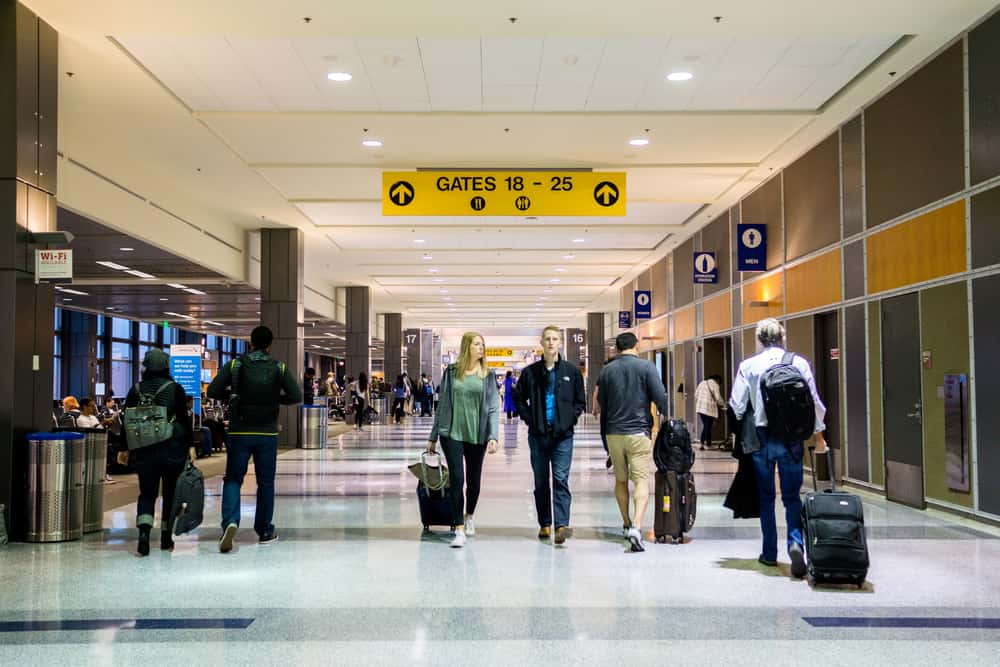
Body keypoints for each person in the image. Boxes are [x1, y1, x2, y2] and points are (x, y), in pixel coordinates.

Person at [729, 317, 828, 578]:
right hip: (791, 438)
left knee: (766, 497)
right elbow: (814, 402)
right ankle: (795, 544)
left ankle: (769, 553)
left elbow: (737, 406)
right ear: (782, 338)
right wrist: (819, 438)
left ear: (759, 340)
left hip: (761, 438)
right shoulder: (799, 362)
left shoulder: (748, 366)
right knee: (792, 497)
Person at [207, 325, 302, 553]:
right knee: (265, 483)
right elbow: (296, 395)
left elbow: (212, 391)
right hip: (267, 432)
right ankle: (265, 530)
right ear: (269, 345)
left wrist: (233, 396)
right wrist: (274, 400)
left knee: (233, 478)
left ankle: (230, 522)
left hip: (240, 431)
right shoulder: (278, 368)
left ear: (250, 342)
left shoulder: (236, 365)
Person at [596, 332, 668, 553]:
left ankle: (626, 523)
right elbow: (661, 397)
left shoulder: (607, 370)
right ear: (637, 346)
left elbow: (603, 406)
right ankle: (637, 525)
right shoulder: (646, 368)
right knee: (641, 481)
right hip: (638, 432)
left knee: (620, 480)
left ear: (617, 348)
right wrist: (665, 417)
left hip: (614, 433)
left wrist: (605, 440)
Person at [426, 331, 500, 548]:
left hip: (477, 434)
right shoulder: (451, 372)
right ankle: (458, 528)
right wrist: (433, 436)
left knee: (473, 479)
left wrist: (493, 435)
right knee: (457, 478)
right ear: (467, 346)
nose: (481, 348)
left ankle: (469, 516)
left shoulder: (488, 374)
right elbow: (441, 406)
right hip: (452, 433)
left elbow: (494, 407)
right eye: (477, 344)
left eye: (482, 344)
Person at [514, 326, 586, 545]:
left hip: (563, 436)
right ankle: (545, 523)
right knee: (541, 481)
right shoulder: (530, 373)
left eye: (555, 339)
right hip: (538, 436)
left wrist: (569, 420)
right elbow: (518, 399)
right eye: (547, 339)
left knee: (560, 479)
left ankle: (561, 525)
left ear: (560, 343)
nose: (551, 343)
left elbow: (579, 401)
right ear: (541, 343)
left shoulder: (571, 372)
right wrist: (530, 419)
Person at [120, 349, 193, 556]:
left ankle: (144, 534)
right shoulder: (175, 389)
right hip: (172, 450)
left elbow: (127, 422)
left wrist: (124, 448)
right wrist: (189, 446)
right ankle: (166, 536)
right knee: (170, 493)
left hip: (144, 451)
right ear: (166, 367)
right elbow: (184, 422)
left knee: (147, 493)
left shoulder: (135, 390)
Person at [694, 374, 727, 450]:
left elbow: (696, 395)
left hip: (700, 408)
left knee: (707, 426)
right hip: (709, 409)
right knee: (707, 426)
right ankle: (703, 443)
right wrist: (723, 405)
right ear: (717, 380)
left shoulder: (702, 383)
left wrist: (700, 402)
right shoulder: (715, 385)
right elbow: (718, 398)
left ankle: (707, 443)